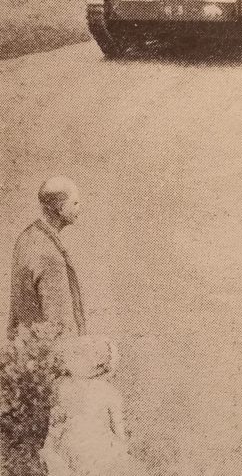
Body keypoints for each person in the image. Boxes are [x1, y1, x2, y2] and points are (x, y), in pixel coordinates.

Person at [40, 335, 149, 476]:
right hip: (71, 451)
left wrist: (123, 452)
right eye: (83, 351)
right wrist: (48, 448)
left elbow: (119, 428)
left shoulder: (109, 392)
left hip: (100, 452)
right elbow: (56, 423)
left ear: (101, 366)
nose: (85, 354)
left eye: (97, 354)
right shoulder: (64, 387)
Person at [8, 176, 87, 340]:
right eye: (75, 203)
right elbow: (59, 323)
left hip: (23, 350)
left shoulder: (26, 236)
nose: (80, 208)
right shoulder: (50, 254)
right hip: (46, 354)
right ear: (61, 207)